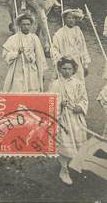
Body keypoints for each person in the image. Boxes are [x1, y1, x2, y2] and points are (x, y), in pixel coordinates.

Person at [49, 57, 88, 185]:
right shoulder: (56, 84)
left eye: (69, 69)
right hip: (63, 118)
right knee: (64, 143)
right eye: (64, 68)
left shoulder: (78, 83)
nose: (67, 71)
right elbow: (50, 102)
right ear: (59, 69)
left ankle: (76, 163)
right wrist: (60, 103)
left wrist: (80, 107)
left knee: (77, 140)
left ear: (74, 70)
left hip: (76, 118)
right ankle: (64, 169)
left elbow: (84, 98)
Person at [2, 13, 47, 92]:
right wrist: (17, 53)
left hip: (32, 70)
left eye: (28, 24)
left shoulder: (34, 38)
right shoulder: (13, 39)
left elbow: (40, 57)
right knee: (18, 91)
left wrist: (41, 73)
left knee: (32, 93)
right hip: (18, 70)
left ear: (31, 25)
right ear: (20, 25)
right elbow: (5, 55)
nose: (26, 27)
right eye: (23, 24)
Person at [52, 8, 91, 82]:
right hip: (66, 64)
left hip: (77, 63)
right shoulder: (59, 34)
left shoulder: (78, 30)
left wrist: (85, 65)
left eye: (73, 18)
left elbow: (83, 48)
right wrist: (60, 61)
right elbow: (54, 49)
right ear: (65, 19)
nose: (71, 20)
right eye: (69, 18)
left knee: (78, 83)